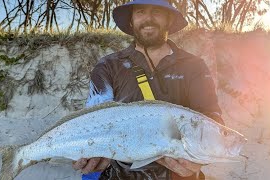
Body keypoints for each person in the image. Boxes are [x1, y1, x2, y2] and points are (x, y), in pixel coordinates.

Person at [72, 0, 224, 179]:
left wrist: (200, 158)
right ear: (131, 20)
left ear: (169, 19)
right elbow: (94, 119)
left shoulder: (194, 66)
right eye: (141, 12)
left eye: (157, 12)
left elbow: (211, 118)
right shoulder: (108, 66)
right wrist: (90, 152)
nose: (148, 19)